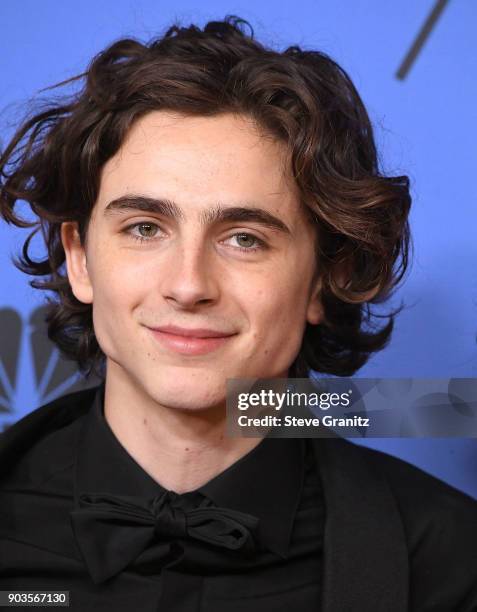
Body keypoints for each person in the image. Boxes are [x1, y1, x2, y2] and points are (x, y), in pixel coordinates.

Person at [0, 16, 476, 612]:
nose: (188, 284)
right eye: (145, 228)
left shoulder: (447, 561)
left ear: (323, 280)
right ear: (80, 259)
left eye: (245, 238)